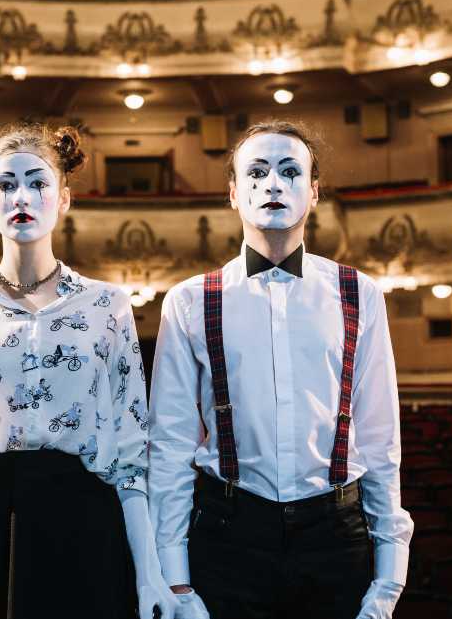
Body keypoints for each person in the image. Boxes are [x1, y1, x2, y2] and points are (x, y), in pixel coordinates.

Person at [0, 122, 178, 619]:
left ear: (63, 198)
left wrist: (149, 575)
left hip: (86, 525)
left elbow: (130, 457)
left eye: (37, 182)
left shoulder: (107, 306)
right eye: (5, 185)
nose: (21, 196)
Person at [148, 120, 414, 619]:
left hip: (336, 537)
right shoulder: (189, 301)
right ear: (233, 193)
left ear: (314, 192)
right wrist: (176, 580)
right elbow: (169, 449)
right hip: (228, 536)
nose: (273, 183)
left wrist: (389, 578)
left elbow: (381, 442)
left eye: (290, 172)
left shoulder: (359, 294)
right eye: (257, 172)